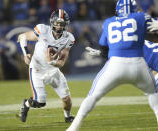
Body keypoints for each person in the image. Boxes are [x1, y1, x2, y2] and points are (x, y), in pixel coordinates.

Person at [67, 0, 158, 131]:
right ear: (134, 9)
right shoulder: (140, 17)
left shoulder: (109, 22)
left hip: (115, 65)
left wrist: (100, 52)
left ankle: (73, 127)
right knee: (153, 93)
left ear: (117, 10)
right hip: (138, 64)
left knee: (93, 96)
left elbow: (104, 50)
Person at [17, 9, 75, 123]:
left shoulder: (69, 38)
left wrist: (51, 62)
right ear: (52, 22)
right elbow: (22, 36)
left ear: (66, 25)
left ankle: (68, 117)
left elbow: (62, 61)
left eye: (62, 24)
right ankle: (26, 104)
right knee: (40, 102)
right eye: (57, 23)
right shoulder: (42, 30)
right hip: (37, 69)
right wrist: (25, 54)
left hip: (53, 70)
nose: (59, 26)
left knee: (67, 99)